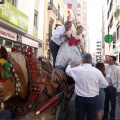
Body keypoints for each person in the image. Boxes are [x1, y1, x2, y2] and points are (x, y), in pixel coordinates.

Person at [65, 53, 108, 120]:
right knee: (92, 117)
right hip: (92, 99)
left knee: (79, 117)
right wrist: (96, 84)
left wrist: (69, 64)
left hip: (80, 98)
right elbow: (105, 84)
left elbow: (67, 71)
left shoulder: (77, 69)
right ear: (91, 61)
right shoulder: (97, 71)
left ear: (82, 61)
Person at [102, 56, 120, 120]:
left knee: (113, 103)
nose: (108, 60)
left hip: (113, 88)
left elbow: (119, 79)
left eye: (110, 59)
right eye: (108, 59)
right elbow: (96, 63)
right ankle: (105, 115)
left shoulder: (118, 68)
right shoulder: (106, 66)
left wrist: (118, 89)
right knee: (105, 103)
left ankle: (112, 117)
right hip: (106, 87)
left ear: (114, 61)